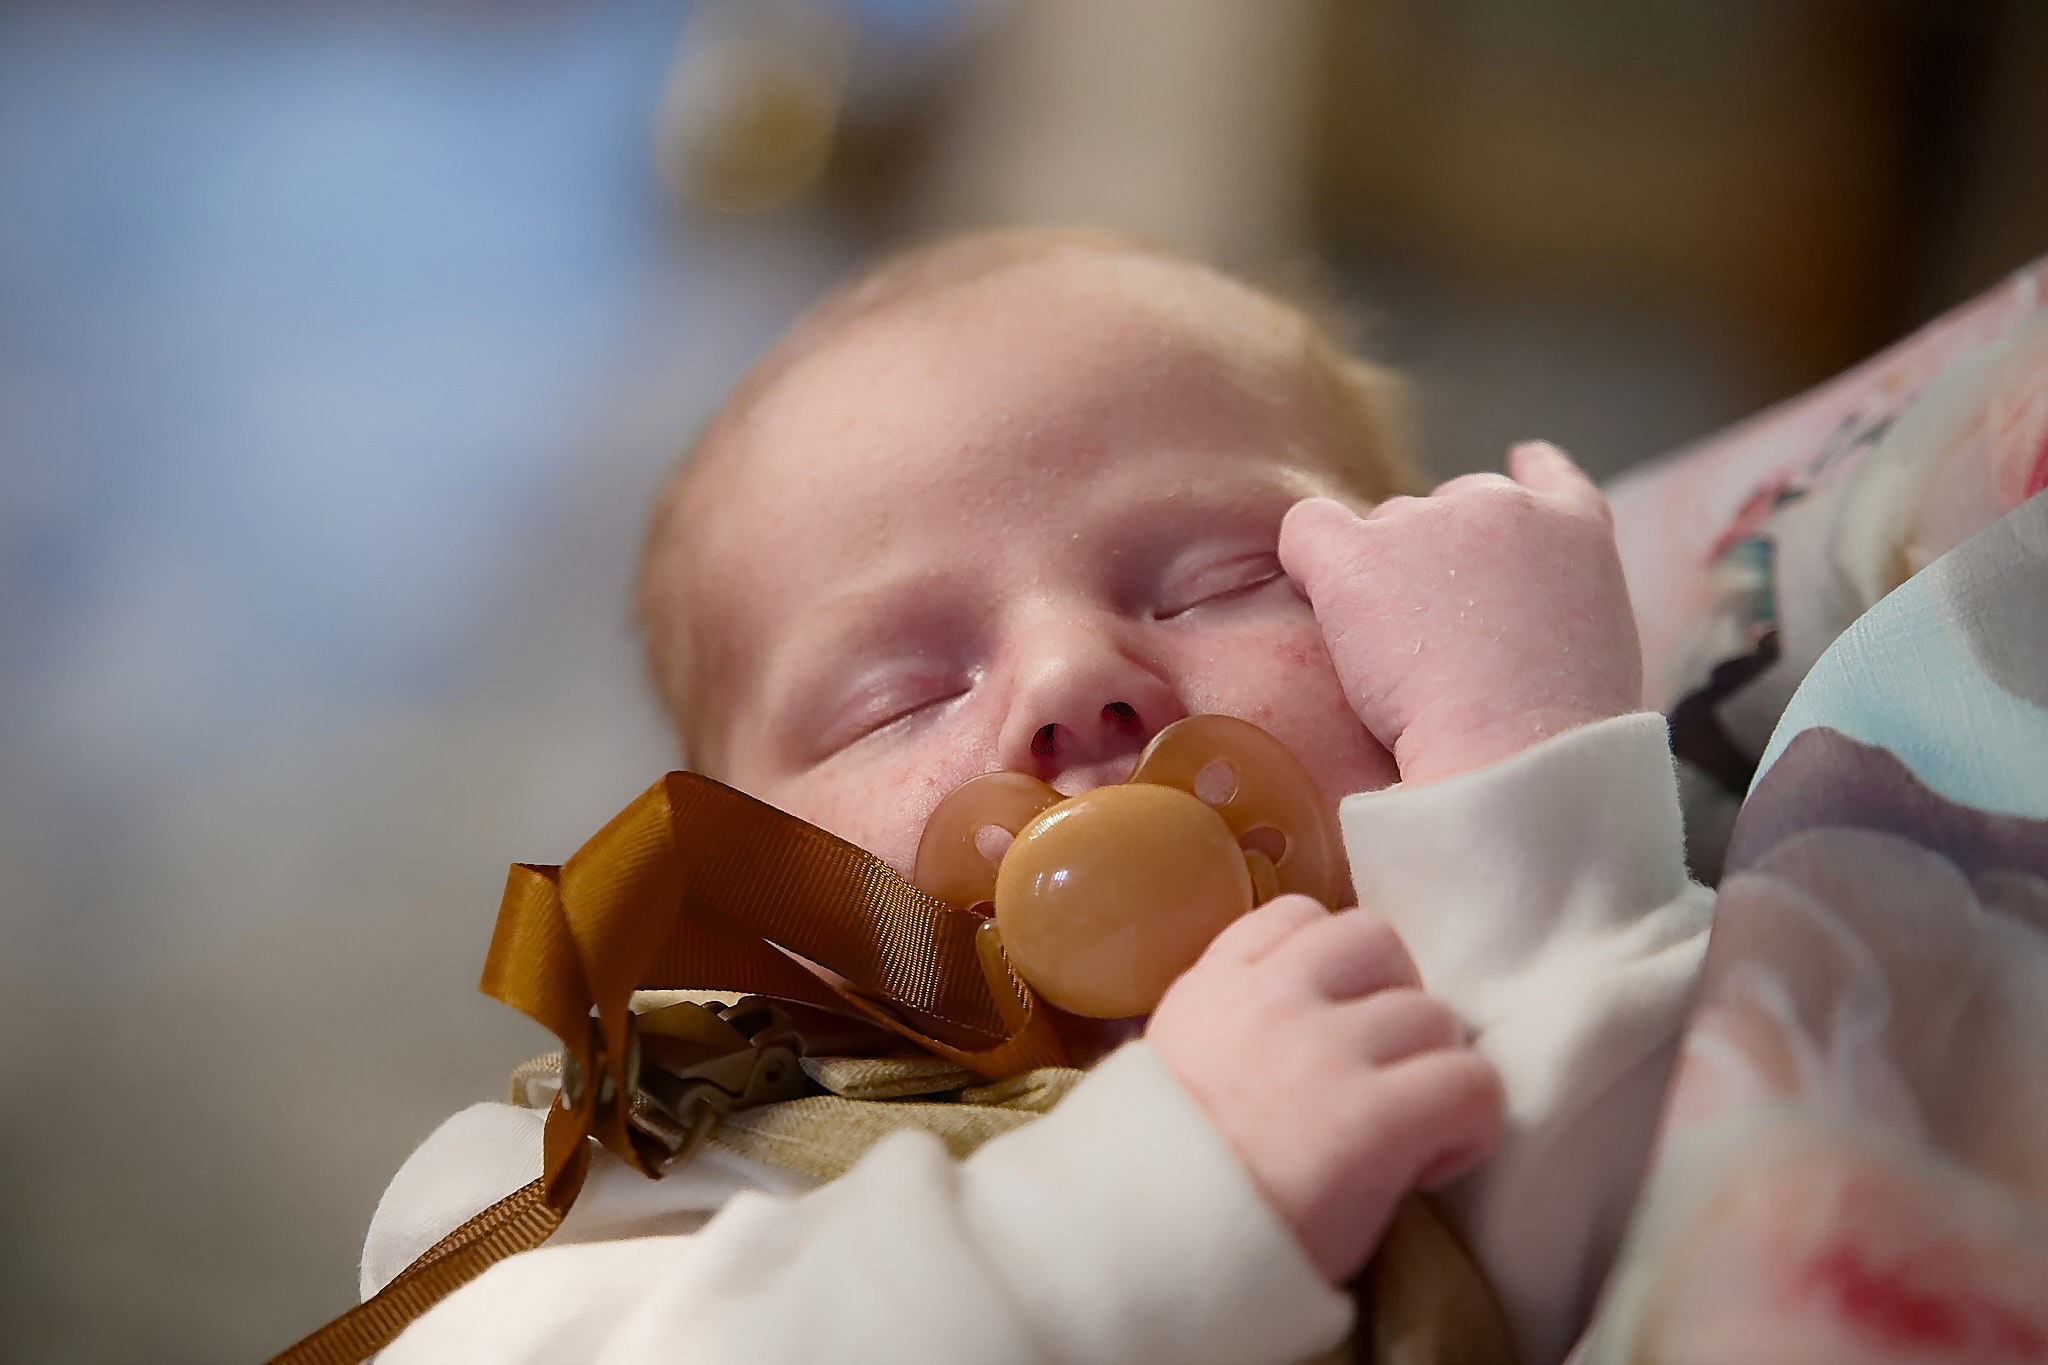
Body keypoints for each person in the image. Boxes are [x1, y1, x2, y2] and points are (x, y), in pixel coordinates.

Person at [360, 230, 1711, 1364]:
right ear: (750, 879)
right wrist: (1148, 1204)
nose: (1070, 676)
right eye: (897, 698)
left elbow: (1699, 1248)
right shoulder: (643, 1160)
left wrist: (1518, 757)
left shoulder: (1521, 900)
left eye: (1220, 582)